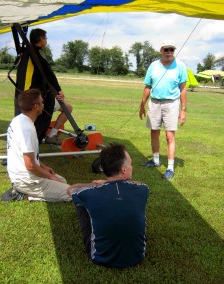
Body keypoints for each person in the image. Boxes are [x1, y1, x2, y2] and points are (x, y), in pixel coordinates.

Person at [67, 143, 149, 268]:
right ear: (124, 170)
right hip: (137, 256)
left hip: (100, 257)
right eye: (130, 164)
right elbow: (140, 183)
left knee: (79, 200)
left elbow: (71, 189)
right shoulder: (143, 190)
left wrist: (94, 184)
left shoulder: (88, 193)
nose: (132, 167)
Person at [2, 89, 72, 202]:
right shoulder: (27, 129)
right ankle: (24, 194)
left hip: (22, 176)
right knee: (70, 193)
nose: (44, 104)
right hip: (26, 180)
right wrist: (50, 176)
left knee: (62, 181)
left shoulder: (18, 120)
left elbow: (28, 156)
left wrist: (44, 168)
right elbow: (30, 165)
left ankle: (25, 191)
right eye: (42, 102)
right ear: (36, 106)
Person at [139, 40, 187, 180]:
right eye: (166, 49)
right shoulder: (153, 66)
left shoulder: (180, 66)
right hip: (154, 103)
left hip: (171, 104)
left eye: (171, 49)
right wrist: (142, 105)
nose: (169, 52)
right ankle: (155, 160)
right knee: (154, 131)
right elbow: (148, 86)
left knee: (169, 136)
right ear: (161, 50)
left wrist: (183, 110)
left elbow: (183, 89)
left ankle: (170, 167)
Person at [29, 28, 73, 145]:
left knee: (67, 108)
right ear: (41, 39)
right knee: (68, 108)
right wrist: (59, 90)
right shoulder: (37, 54)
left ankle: (47, 135)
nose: (46, 41)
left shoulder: (30, 52)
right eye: (45, 38)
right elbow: (49, 73)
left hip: (34, 95)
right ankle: (51, 135)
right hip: (42, 97)